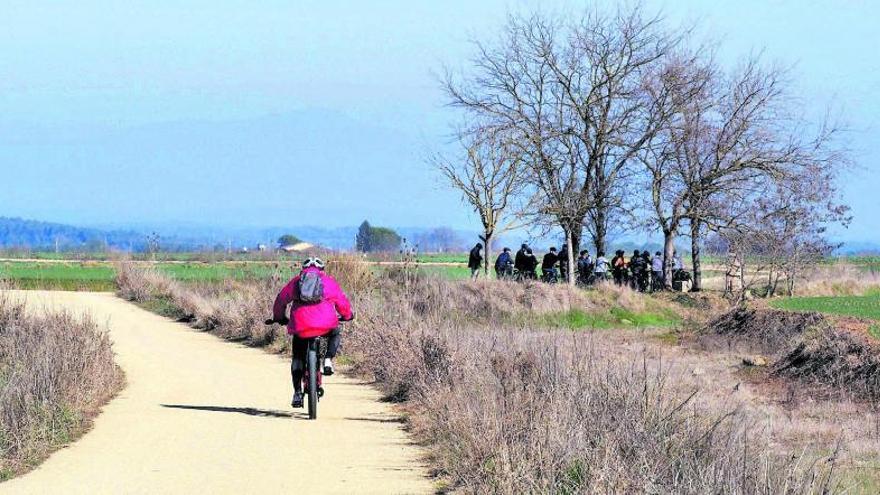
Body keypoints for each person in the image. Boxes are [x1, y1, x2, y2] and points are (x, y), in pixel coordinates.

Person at [271, 257, 353, 408]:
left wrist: (279, 317)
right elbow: (342, 302)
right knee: (335, 332)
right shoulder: (329, 282)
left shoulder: (296, 282)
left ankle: (297, 393)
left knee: (297, 357)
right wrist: (347, 315)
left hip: (301, 326)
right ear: (322, 270)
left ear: (303, 269)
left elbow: (281, 300)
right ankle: (328, 359)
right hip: (325, 325)